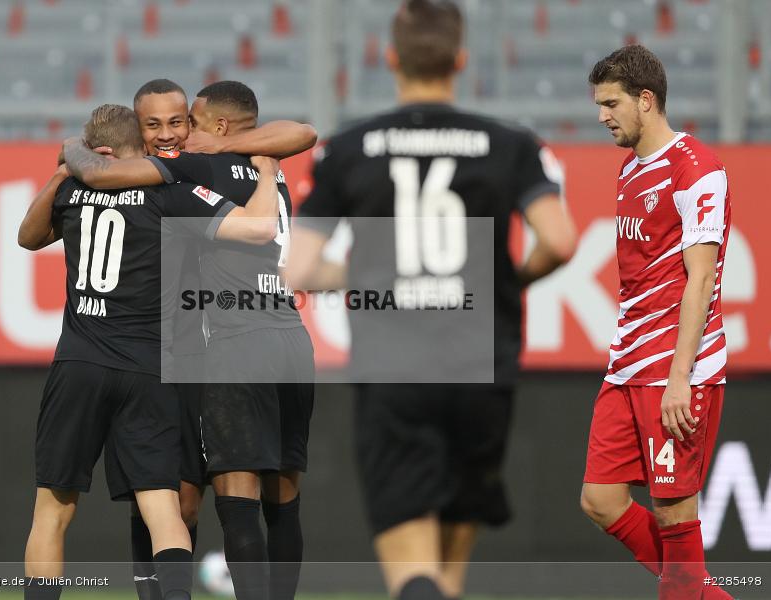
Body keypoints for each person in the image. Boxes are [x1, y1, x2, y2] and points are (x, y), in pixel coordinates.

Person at [283, 2, 576, 600]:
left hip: (395, 372)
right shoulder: (509, 144)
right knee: (449, 577)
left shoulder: (351, 148)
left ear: (390, 58)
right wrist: (507, 281)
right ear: (460, 61)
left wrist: (372, 275)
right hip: (481, 367)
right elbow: (561, 241)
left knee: (414, 576)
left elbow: (301, 267)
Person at [18, 103, 283, 600]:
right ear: (133, 150)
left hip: (79, 361)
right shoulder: (169, 195)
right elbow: (258, 227)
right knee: (162, 507)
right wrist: (266, 170)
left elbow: (27, 238)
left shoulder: (75, 191)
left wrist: (62, 172)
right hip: (147, 368)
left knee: (52, 512)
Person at [124, 78, 316, 600]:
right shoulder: (268, 171)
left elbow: (124, 175)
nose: (181, 135)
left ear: (219, 126)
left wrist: (79, 163)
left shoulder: (202, 165)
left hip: (228, 344)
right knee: (284, 498)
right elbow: (303, 131)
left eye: (190, 121)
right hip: (293, 342)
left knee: (225, 496)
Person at [580, 45, 732, 600]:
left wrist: (679, 377)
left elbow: (701, 281)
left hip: (673, 367)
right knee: (599, 499)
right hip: (627, 363)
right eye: (600, 104)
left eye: (611, 103)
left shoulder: (698, 169)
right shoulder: (629, 170)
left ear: (647, 100)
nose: (602, 116)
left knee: (674, 512)